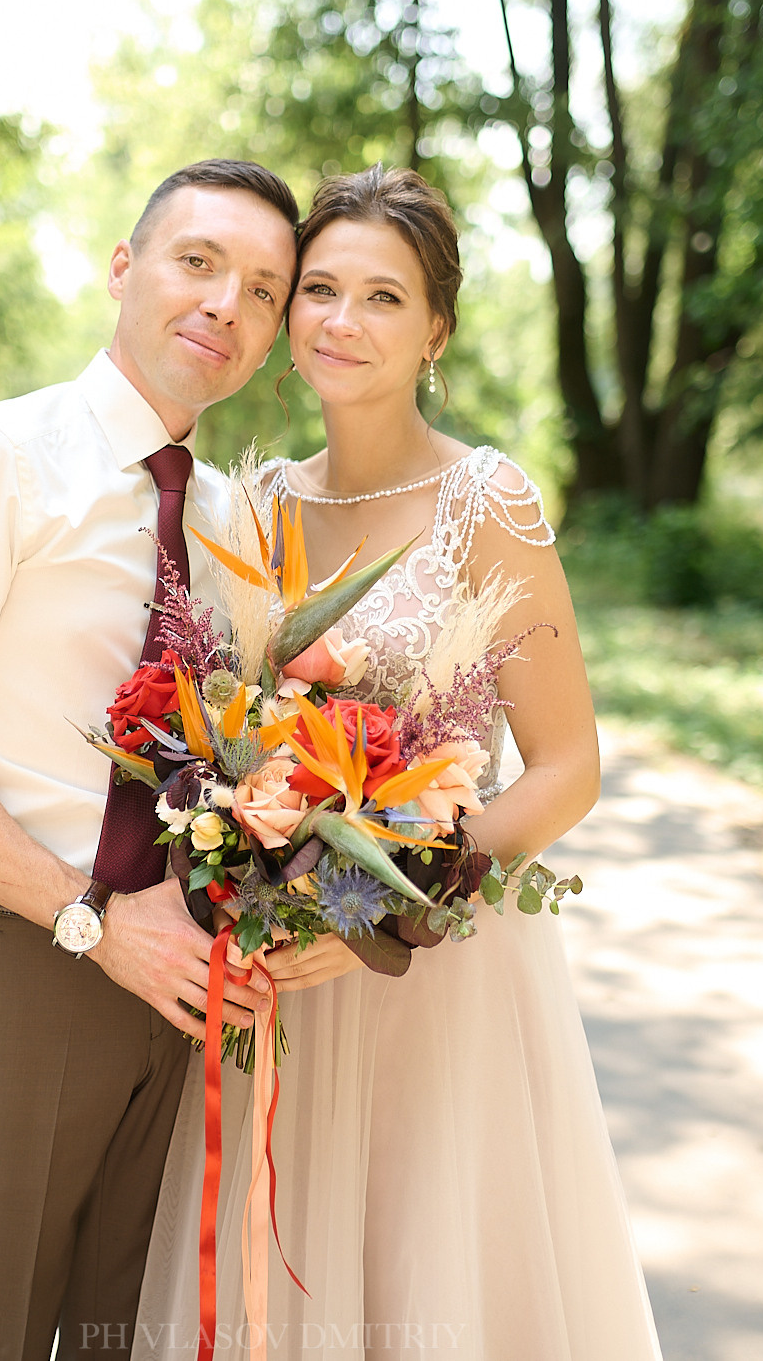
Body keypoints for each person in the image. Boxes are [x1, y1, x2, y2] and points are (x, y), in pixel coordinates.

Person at [133, 166, 664, 1359]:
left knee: (439, 1271)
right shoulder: (255, 500)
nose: (339, 320)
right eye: (318, 289)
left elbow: (566, 766)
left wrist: (393, 890)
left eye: (382, 296)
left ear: (435, 330)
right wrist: (262, 868)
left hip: (440, 965)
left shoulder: (491, 501)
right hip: (288, 975)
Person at [0, 159, 300, 1361]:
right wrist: (95, 919)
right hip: (27, 964)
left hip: (179, 994)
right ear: (123, 267)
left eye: (262, 289)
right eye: (198, 263)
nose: (224, 305)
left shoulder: (229, 522)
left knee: (125, 1340)